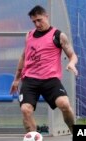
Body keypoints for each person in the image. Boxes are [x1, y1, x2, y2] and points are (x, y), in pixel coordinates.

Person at [10, 5, 78, 134]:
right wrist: (16, 79)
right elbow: (24, 56)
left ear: (46, 16)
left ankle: (75, 132)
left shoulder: (58, 35)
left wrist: (72, 64)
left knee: (64, 104)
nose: (37, 24)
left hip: (50, 79)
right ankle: (33, 136)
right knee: (26, 109)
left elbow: (72, 55)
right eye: (34, 21)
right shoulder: (29, 35)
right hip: (30, 80)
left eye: (39, 20)